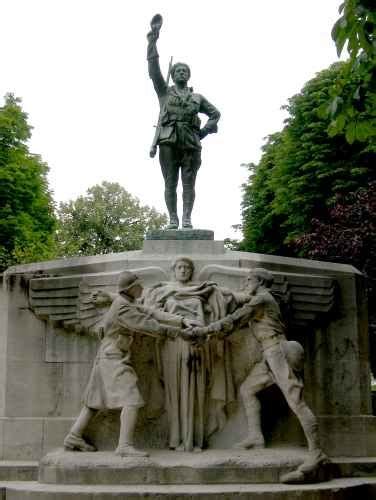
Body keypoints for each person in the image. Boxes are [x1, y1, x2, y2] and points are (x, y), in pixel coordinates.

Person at [187, 268, 328, 482]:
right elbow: (236, 323)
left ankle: (317, 453)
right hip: (268, 353)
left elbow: (235, 319)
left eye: (248, 279)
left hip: (277, 351)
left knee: (296, 400)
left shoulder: (261, 299)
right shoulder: (262, 299)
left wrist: (204, 331)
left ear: (259, 281)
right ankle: (255, 436)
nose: (245, 282)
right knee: (247, 390)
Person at [63, 271, 191, 457]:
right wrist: (179, 333)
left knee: (94, 401)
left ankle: (74, 436)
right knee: (132, 399)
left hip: (107, 356)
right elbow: (148, 325)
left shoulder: (127, 302)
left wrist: (182, 320)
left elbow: (151, 312)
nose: (142, 289)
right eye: (139, 286)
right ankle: (124, 446)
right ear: (130, 289)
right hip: (114, 357)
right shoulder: (124, 308)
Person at [143, 257, 235, 452]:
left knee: (196, 393)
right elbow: (151, 314)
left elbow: (207, 315)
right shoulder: (163, 291)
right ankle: (176, 440)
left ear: (191, 271)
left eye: (187, 268)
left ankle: (195, 440)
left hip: (195, 343)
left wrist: (197, 331)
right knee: (174, 394)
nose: (184, 270)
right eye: (180, 267)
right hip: (173, 343)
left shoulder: (202, 290)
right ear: (174, 270)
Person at [147, 16, 220, 229]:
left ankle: (187, 218)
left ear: (188, 75)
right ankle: (173, 218)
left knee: (189, 183)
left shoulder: (197, 98)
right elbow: (153, 71)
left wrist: (203, 132)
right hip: (168, 140)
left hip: (190, 141)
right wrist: (153, 41)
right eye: (178, 70)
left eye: (184, 71)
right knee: (170, 182)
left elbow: (216, 114)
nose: (181, 72)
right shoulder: (164, 92)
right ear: (173, 74)